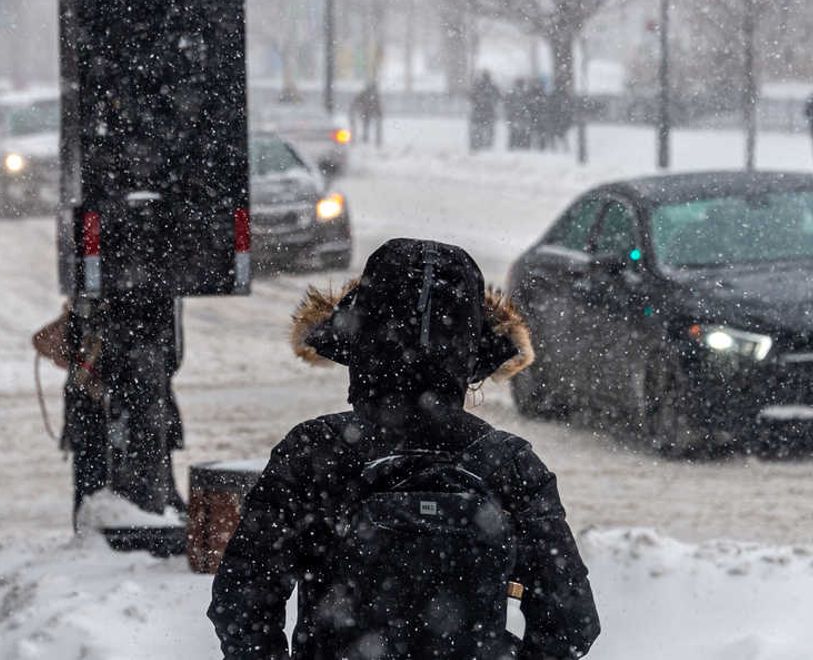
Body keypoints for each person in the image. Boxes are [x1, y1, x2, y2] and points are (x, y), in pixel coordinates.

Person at [209, 239, 599, 660]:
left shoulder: (312, 453)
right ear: (472, 355)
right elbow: (570, 621)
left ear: (357, 342)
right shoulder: (509, 465)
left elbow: (242, 601)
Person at [469, 71, 501, 151]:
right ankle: (486, 145)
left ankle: (477, 144)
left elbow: (471, 97)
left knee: (477, 130)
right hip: (487, 112)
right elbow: (498, 98)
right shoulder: (493, 87)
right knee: (487, 130)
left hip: (479, 112)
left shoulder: (478, 86)